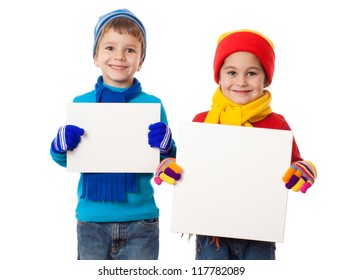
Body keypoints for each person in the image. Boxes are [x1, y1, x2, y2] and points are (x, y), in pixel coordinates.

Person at [50, 9, 177, 260]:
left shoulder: (152, 105)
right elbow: (66, 159)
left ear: (140, 61)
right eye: (109, 48)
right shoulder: (81, 104)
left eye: (130, 50)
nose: (119, 56)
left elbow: (166, 164)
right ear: (96, 57)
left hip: (141, 222)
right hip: (91, 223)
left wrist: (167, 147)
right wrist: (59, 145)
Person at [192, 29, 318, 260]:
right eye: (231, 72)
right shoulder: (201, 122)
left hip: (259, 232)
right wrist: (170, 163)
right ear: (219, 76)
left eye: (251, 73)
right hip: (211, 233)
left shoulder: (277, 124)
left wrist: (304, 170)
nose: (241, 82)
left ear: (266, 79)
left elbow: (296, 164)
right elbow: (188, 171)